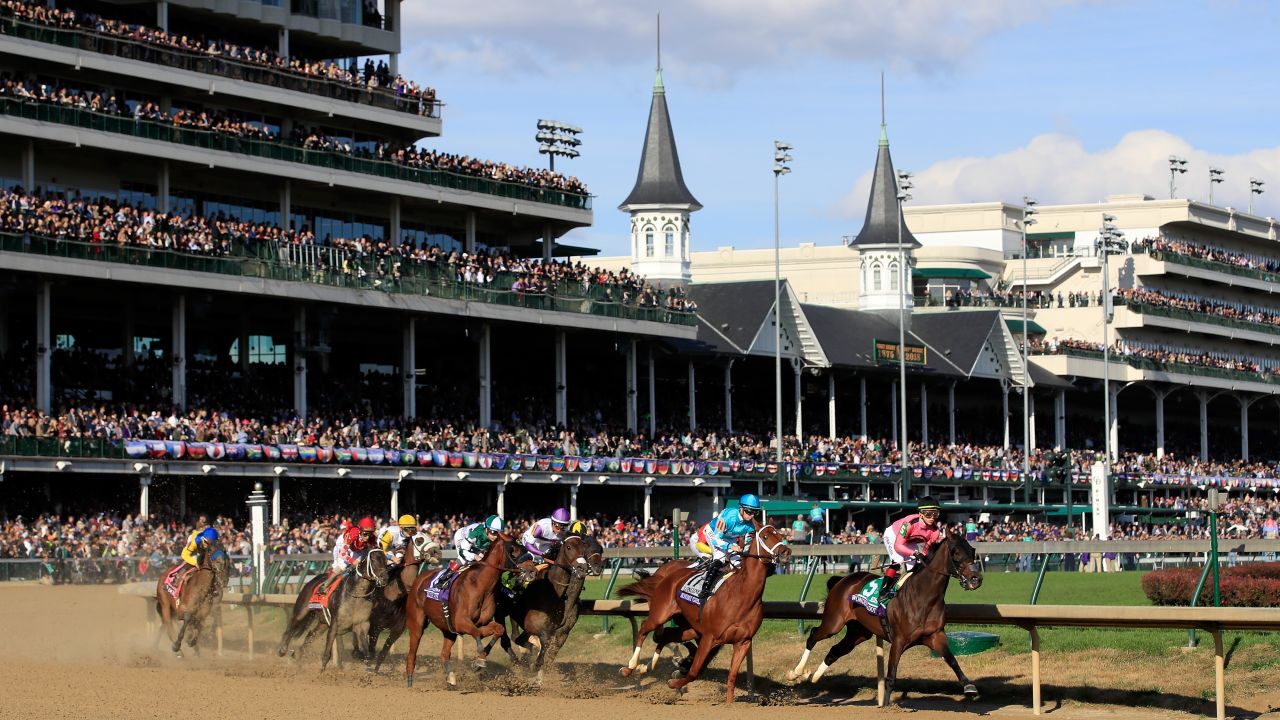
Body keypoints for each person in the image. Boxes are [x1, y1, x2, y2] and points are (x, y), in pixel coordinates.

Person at [688, 494, 762, 602]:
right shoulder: (728, 516)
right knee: (720, 557)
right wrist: (730, 546)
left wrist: (744, 553)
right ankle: (705, 588)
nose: (751, 516)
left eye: (754, 512)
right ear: (741, 509)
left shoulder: (750, 526)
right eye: (749, 512)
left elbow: (747, 545)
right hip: (713, 533)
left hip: (728, 537)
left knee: (738, 564)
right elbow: (716, 539)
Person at [879, 496, 943, 605]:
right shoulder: (910, 523)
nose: (932, 517)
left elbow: (926, 549)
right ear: (920, 514)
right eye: (928, 514)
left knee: (913, 567)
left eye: (935, 514)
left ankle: (908, 592)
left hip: (910, 542)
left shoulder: (935, 531)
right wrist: (915, 553)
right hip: (893, 536)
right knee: (897, 561)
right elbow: (898, 546)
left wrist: (922, 555)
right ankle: (884, 591)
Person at [439, 514, 504, 585]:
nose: (496, 536)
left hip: (474, 544)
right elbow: (462, 551)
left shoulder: (492, 536)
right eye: (493, 532)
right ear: (487, 529)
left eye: (498, 533)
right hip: (461, 538)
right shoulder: (475, 534)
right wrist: (475, 557)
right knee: (463, 560)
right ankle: (444, 578)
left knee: (483, 559)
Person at [323, 516, 376, 592]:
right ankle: (325, 585)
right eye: (365, 534)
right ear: (360, 531)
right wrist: (352, 561)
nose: (367, 537)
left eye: (370, 534)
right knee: (342, 566)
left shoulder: (372, 537)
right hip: (344, 546)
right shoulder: (353, 534)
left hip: (357, 548)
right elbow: (342, 553)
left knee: (362, 565)